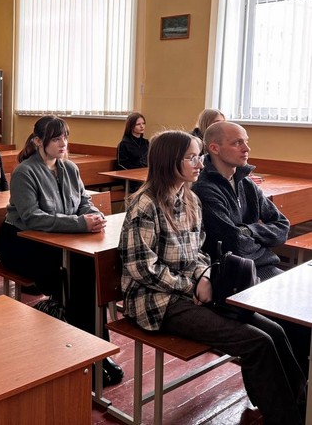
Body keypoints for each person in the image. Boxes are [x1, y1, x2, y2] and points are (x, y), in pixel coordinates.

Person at [119, 130, 305, 425]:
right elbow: (142, 268)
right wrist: (191, 285)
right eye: (191, 157)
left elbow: (200, 252)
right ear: (169, 161)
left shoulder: (190, 199)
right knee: (257, 342)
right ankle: (287, 419)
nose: (200, 163)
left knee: (275, 332)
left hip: (191, 291)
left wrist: (204, 277)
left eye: (199, 156)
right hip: (157, 301)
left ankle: (301, 407)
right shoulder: (145, 205)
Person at [0, 115, 122, 386]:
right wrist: (80, 224)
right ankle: (83, 357)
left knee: (90, 270)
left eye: (65, 137)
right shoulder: (25, 172)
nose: (63, 143)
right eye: (55, 138)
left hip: (60, 239)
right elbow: (32, 218)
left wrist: (94, 215)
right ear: (38, 141)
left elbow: (84, 200)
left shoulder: (69, 168)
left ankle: (97, 351)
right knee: (75, 276)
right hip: (21, 241)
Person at [193, 121, 288, 279]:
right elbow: (234, 245)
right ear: (214, 148)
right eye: (237, 143)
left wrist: (248, 230)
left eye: (246, 141)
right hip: (232, 274)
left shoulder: (246, 183)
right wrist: (263, 243)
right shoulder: (204, 188)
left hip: (262, 266)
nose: (247, 148)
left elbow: (283, 226)